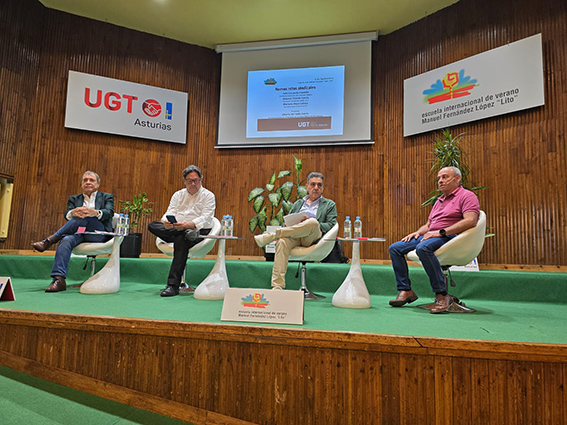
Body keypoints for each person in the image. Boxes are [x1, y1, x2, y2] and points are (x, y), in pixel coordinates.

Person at [388, 166, 480, 313]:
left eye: (445, 177)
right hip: (432, 235)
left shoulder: (467, 196)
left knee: (423, 248)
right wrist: (417, 233)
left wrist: (441, 232)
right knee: (395, 248)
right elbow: (429, 225)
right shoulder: (439, 200)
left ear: (457, 179)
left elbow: (471, 221)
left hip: (450, 237)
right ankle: (406, 290)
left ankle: (442, 295)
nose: (440, 181)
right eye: (439, 178)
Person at [31, 171, 115, 292]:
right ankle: (59, 279)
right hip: (79, 233)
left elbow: (109, 212)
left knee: (86, 215)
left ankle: (50, 240)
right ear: (81, 184)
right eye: (85, 180)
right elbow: (67, 214)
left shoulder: (107, 197)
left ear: (97, 184)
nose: (88, 182)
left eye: (91, 180)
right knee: (66, 239)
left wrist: (95, 212)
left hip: (97, 233)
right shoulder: (74, 198)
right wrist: (72, 213)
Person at [255, 172, 337, 290]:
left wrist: (310, 222)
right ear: (307, 187)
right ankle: (277, 286)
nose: (316, 188)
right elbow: (290, 221)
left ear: (322, 188)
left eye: (319, 185)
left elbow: (331, 225)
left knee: (313, 222)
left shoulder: (329, 204)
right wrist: (287, 224)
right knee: (282, 241)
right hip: (295, 237)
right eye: (313, 184)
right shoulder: (298, 203)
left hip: (313, 238)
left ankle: (273, 235)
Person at [148, 165, 216, 297]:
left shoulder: (208, 195)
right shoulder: (178, 195)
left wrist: (188, 225)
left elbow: (207, 218)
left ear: (201, 179)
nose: (193, 184)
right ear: (184, 181)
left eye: (196, 180)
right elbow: (169, 212)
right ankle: (180, 233)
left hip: (198, 232)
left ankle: (173, 286)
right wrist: (167, 223)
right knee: (153, 225)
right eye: (190, 181)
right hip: (177, 229)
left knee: (182, 237)